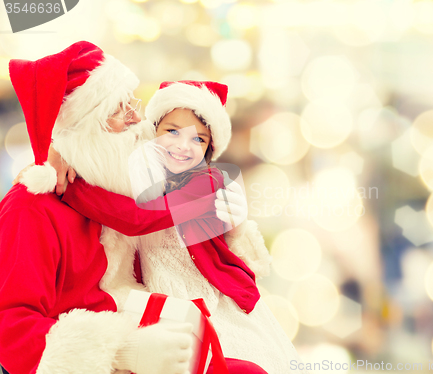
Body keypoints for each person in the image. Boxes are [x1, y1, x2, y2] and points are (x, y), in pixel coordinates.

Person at [0, 42, 257, 374]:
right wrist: (121, 352)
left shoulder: (121, 188)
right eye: (121, 109)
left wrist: (236, 229)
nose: (139, 119)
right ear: (87, 125)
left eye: (133, 103)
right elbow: (9, 328)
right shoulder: (32, 208)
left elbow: (140, 220)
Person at [52, 80, 307, 374]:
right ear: (152, 131)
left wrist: (71, 188)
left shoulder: (207, 183)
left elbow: (138, 219)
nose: (183, 146)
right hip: (160, 299)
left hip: (210, 300)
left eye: (198, 139)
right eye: (172, 131)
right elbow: (101, 154)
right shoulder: (139, 172)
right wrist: (62, 154)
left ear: (210, 147)